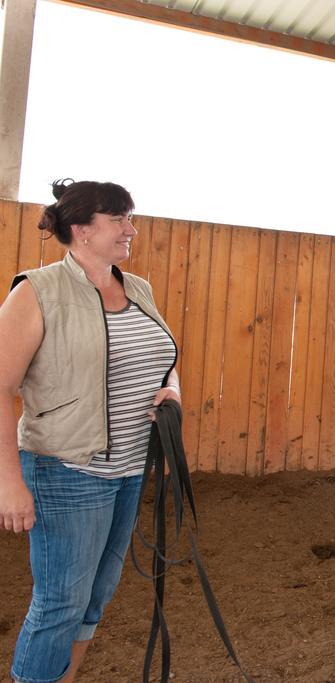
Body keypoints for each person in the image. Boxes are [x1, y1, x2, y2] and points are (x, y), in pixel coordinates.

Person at [0, 179, 180, 683]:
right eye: (118, 219)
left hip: (126, 470)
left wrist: (173, 393)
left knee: (95, 598)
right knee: (60, 603)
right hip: (65, 471)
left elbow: (162, 359)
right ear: (81, 229)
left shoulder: (137, 287)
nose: (131, 228)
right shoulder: (37, 292)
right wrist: (9, 482)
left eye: (131, 216)